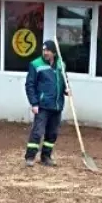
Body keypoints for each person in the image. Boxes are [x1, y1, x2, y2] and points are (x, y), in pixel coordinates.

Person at [23, 40, 70, 168]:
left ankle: (46, 157)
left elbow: (64, 81)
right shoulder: (36, 64)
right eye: (44, 50)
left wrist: (67, 90)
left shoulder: (61, 65)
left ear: (54, 52)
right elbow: (30, 85)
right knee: (38, 132)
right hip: (42, 105)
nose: (45, 53)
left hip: (57, 105)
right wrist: (34, 103)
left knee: (52, 133)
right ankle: (30, 157)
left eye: (48, 50)